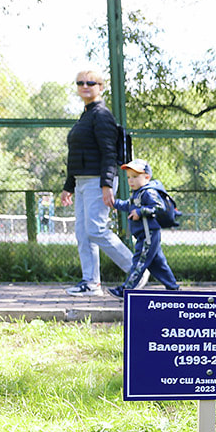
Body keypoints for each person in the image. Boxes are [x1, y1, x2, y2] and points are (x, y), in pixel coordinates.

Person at [60, 68, 135, 295]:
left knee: (96, 230)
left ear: (100, 87)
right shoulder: (86, 115)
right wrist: (68, 186)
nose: (85, 86)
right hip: (82, 182)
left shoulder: (101, 115)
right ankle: (91, 284)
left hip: (97, 182)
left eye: (90, 83)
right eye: (80, 82)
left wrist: (106, 185)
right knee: (83, 234)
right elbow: (77, 156)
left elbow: (109, 153)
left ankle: (136, 269)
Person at [107, 159, 181, 296]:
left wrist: (140, 212)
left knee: (139, 263)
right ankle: (173, 289)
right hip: (145, 235)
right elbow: (128, 205)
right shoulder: (137, 193)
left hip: (148, 235)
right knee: (158, 264)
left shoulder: (148, 192)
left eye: (135, 177)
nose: (131, 180)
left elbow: (159, 207)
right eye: (129, 177)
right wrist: (114, 203)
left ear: (147, 177)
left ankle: (125, 290)